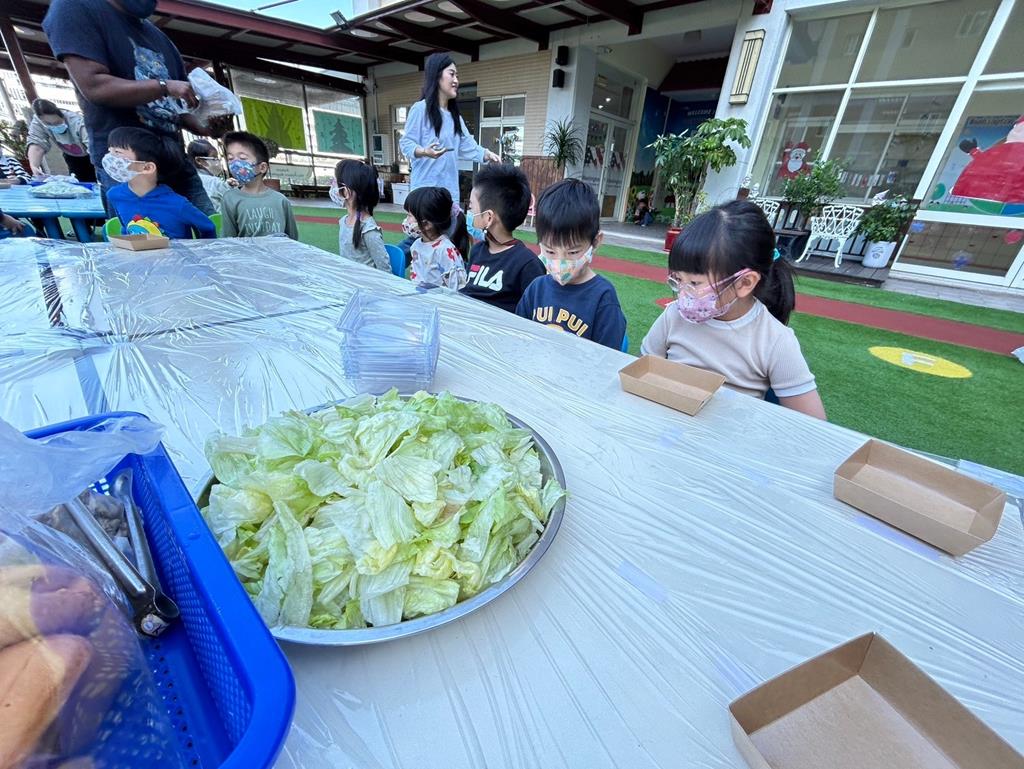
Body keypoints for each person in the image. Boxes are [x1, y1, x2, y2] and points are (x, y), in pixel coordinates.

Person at [640, 200, 827, 420]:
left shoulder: (774, 340)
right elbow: (643, 371)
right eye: (678, 280)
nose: (683, 294)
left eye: (695, 283)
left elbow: (813, 424)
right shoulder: (673, 316)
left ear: (745, 283)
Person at [43, 0, 216, 214]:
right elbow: (94, 86)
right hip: (127, 167)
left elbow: (176, 108)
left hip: (175, 163)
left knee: (210, 229)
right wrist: (164, 86)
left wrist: (207, 126)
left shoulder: (160, 38)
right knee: (142, 233)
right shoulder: (75, 7)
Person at [515, 179, 626, 350]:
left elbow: (608, 357)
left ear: (595, 242)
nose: (560, 263)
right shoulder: (536, 289)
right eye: (550, 251)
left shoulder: (603, 298)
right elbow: (518, 337)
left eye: (573, 253)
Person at [460, 164, 545, 313]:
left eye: (472, 207)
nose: (469, 212)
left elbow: (534, 315)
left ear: (489, 217)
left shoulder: (527, 264)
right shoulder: (477, 251)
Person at [104, 126, 215, 239]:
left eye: (117, 152)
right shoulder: (115, 195)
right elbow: (126, 228)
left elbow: (208, 228)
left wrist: (202, 249)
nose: (110, 157)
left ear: (147, 168)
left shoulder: (177, 204)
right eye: (110, 151)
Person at [220, 131, 298, 240]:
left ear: (262, 167)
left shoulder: (280, 200)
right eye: (231, 159)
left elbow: (292, 238)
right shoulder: (229, 199)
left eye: (242, 158)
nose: (235, 164)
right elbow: (229, 239)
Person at [405, 187, 468, 290]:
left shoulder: (445, 250)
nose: (406, 221)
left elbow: (458, 288)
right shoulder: (416, 245)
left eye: (409, 216)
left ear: (426, 224)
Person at [333, 159, 389, 272]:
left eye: (335, 183)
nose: (333, 187)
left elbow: (385, 269)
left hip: (366, 282)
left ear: (346, 191)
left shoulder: (368, 230)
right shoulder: (343, 221)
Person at [26, 100, 94, 181]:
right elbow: (36, 144)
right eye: (49, 124)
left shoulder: (76, 121)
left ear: (61, 115)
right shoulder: (38, 122)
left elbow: (92, 145)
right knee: (78, 181)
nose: (55, 125)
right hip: (72, 157)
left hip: (90, 154)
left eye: (57, 122)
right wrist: (34, 166)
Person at [187, 139, 236, 209]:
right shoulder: (214, 182)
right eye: (214, 157)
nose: (217, 161)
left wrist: (226, 185)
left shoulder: (192, 181)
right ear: (199, 161)